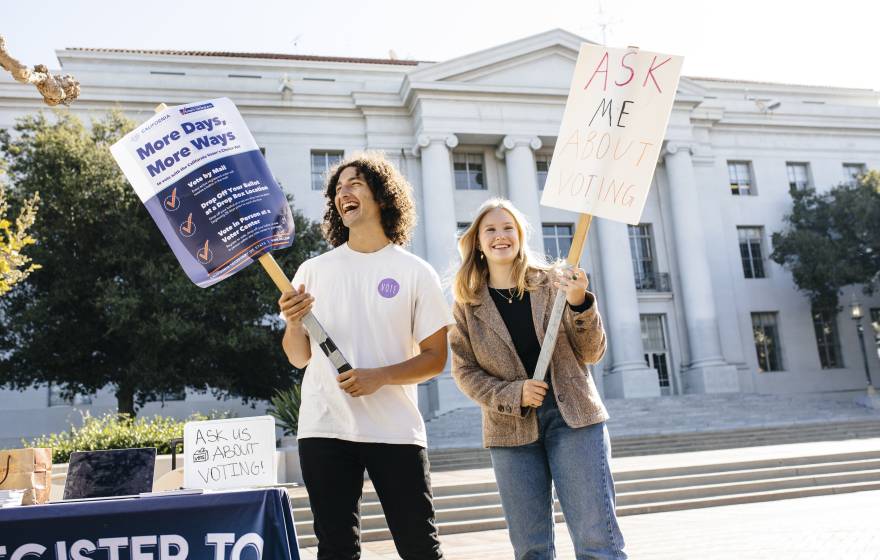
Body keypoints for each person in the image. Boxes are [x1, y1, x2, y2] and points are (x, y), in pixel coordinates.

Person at [278, 152, 450, 560]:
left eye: (354, 183)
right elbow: (298, 358)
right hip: (324, 427)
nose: (343, 193)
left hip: (394, 429)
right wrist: (293, 323)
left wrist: (380, 377)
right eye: (338, 189)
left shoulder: (415, 272)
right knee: (336, 549)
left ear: (383, 196)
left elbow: (435, 358)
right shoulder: (313, 270)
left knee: (420, 548)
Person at [449, 198, 626, 560]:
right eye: (491, 230)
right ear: (478, 244)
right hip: (510, 430)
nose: (501, 236)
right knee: (531, 550)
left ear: (520, 236)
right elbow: (464, 372)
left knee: (597, 542)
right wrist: (514, 393)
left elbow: (592, 352)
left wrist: (579, 303)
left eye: (508, 228)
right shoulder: (467, 304)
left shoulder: (555, 283)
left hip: (573, 419)